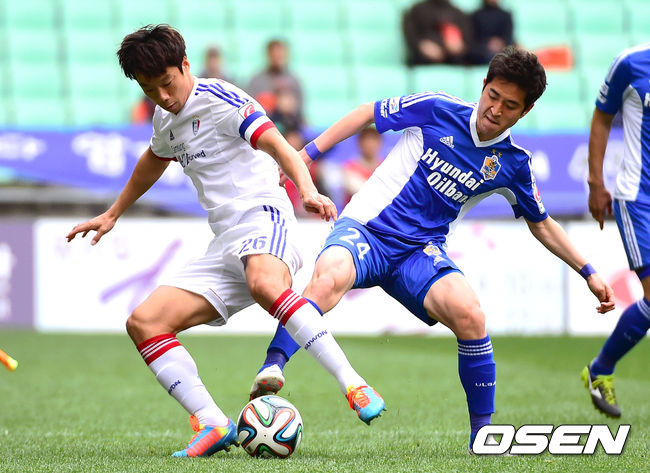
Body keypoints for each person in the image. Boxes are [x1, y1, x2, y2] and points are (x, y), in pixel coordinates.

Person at [249, 46, 615, 452]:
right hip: (367, 229)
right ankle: (273, 365)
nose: (495, 110)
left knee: (471, 315)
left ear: (525, 111)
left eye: (510, 106)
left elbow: (541, 223)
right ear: (483, 85)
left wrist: (588, 271)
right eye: (493, 96)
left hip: (419, 253)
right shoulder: (437, 108)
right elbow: (367, 113)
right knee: (328, 276)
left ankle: (482, 436)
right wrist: (306, 154)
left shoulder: (513, 163)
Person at [65, 25, 384, 458]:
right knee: (145, 323)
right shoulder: (164, 118)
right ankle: (212, 422)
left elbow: (279, 145)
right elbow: (153, 159)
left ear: (185, 65)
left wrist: (307, 190)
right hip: (225, 243)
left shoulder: (222, 99)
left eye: (167, 83)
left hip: (265, 216)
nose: (162, 96)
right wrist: (113, 213)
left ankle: (354, 384)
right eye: (149, 89)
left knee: (265, 283)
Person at [581, 43, 650, 418]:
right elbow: (602, 116)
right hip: (639, 198)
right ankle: (600, 369)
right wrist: (596, 181)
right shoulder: (631, 62)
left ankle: (599, 369)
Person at [247, 39, 304, 124]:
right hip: (264, 124)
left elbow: (300, 109)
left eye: (280, 55)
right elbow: (250, 109)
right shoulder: (257, 80)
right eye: (275, 55)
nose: (278, 58)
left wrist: (290, 107)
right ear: (269, 55)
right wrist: (274, 103)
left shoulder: (294, 80)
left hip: (289, 125)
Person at [403, 0, 472, 66]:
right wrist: (422, 46)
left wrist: (459, 46)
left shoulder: (457, 13)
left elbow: (466, 40)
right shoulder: (416, 11)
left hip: (453, 60)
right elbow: (411, 35)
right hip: (423, 61)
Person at [342, 127, 384, 204]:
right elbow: (357, 190)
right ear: (360, 142)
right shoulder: (349, 167)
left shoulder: (385, 167)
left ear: (380, 142)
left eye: (374, 139)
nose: (370, 144)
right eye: (367, 139)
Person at [469, 0, 513, 65]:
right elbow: (472, 41)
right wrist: (488, 45)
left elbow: (508, 38)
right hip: (481, 54)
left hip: (501, 53)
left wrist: (499, 44)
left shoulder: (506, 16)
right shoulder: (476, 16)